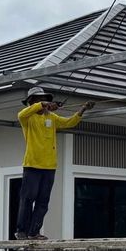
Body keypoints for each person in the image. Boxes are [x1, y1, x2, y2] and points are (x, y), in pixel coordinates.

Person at [15, 86, 92, 239]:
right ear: (31, 102)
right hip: (32, 165)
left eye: (44, 99)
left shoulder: (52, 117)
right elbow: (20, 114)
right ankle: (21, 231)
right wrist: (43, 105)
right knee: (28, 199)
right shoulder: (28, 118)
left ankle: (34, 232)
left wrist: (82, 109)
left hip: (50, 166)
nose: (43, 102)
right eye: (39, 100)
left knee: (43, 202)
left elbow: (69, 122)